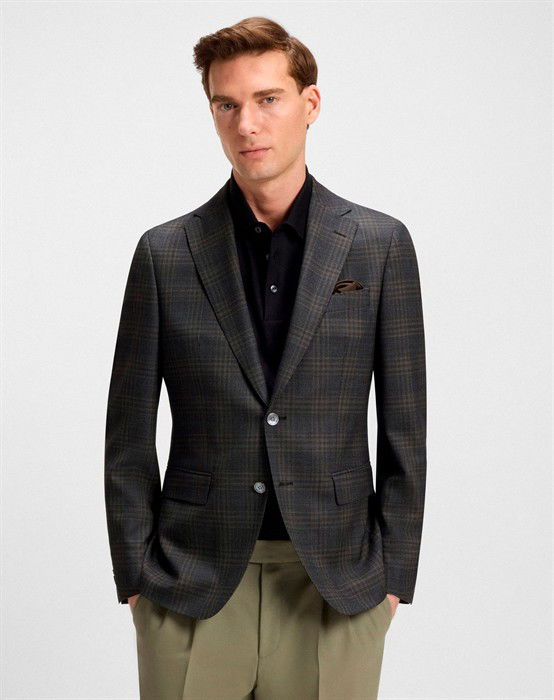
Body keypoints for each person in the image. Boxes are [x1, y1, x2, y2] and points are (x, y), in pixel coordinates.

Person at [104, 15, 427, 700]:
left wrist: (395, 576)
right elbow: (127, 433)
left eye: (267, 99)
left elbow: (406, 427)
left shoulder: (378, 246)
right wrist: (135, 575)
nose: (246, 123)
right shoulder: (165, 254)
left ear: (310, 104)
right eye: (226, 104)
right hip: (191, 582)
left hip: (337, 583)